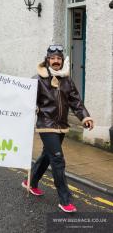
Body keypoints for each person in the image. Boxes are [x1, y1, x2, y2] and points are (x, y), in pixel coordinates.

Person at [22, 45, 94, 213]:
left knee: (47, 156)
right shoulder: (38, 79)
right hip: (46, 125)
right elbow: (27, 100)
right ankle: (65, 199)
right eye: (53, 58)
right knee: (58, 159)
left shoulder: (66, 80)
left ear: (62, 61)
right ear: (47, 60)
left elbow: (76, 102)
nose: (56, 61)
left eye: (59, 59)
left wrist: (85, 117)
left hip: (61, 125)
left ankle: (30, 182)